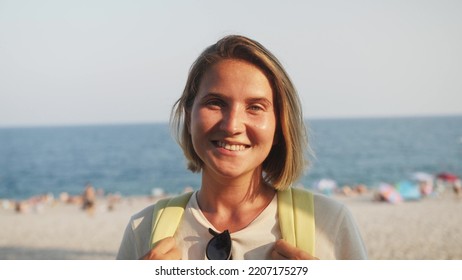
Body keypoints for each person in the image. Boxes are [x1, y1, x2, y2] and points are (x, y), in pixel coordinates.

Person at [117, 35, 367, 260]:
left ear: (280, 126)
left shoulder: (329, 223)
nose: (232, 125)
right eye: (215, 103)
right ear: (189, 115)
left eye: (255, 107)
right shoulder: (144, 228)